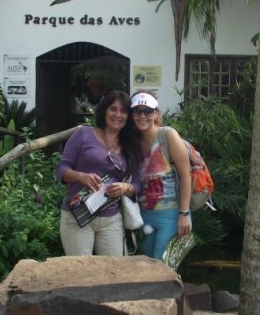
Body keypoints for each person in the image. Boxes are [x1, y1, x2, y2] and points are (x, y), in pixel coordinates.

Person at [55, 90, 141, 256]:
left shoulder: (130, 146)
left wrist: (125, 187)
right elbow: (61, 170)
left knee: (112, 274)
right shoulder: (83, 133)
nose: (118, 115)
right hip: (78, 216)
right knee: (81, 273)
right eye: (113, 109)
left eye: (123, 111)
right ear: (104, 111)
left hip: (111, 219)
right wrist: (81, 176)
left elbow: (137, 184)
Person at [130, 92, 192, 260]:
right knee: (146, 268)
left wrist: (184, 214)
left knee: (162, 267)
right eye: (137, 111)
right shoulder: (133, 142)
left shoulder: (167, 135)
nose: (143, 116)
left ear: (156, 113)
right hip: (144, 217)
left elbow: (186, 176)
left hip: (171, 216)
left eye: (148, 111)